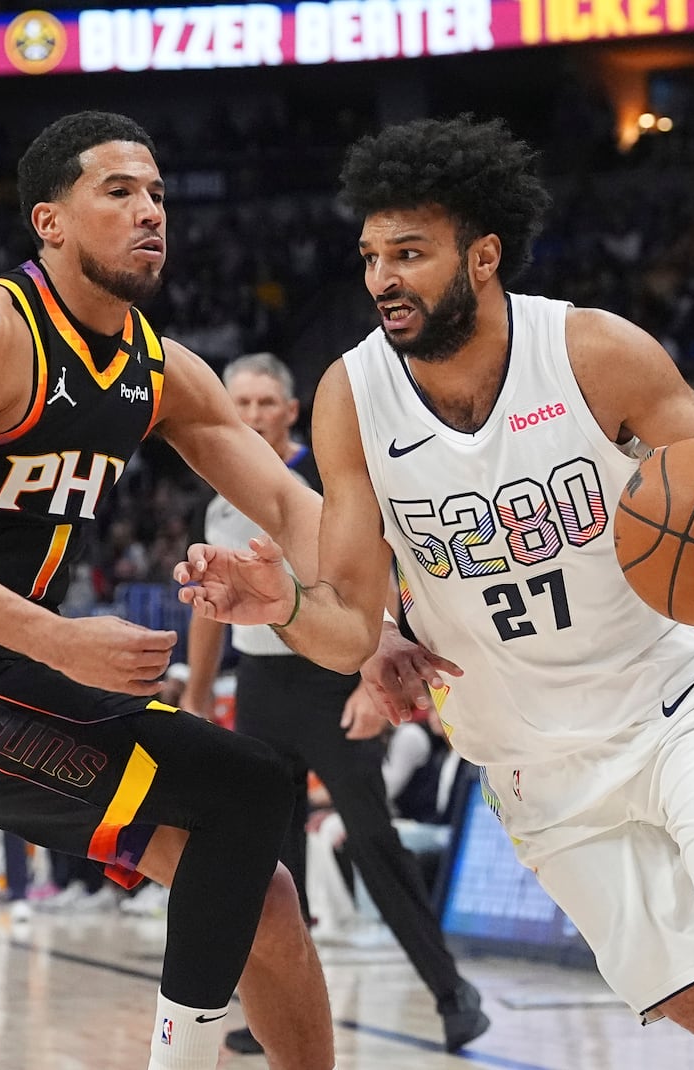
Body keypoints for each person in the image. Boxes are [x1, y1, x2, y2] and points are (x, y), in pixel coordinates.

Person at [177, 116, 694, 1070]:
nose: (382, 277)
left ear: (484, 254)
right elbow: (345, 633)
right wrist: (284, 606)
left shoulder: (592, 351)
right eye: (372, 254)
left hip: (671, 706)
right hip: (531, 767)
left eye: (410, 253)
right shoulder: (350, 396)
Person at [0, 111, 332, 1070]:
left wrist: (390, 624)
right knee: (251, 784)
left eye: (157, 195)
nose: (150, 213)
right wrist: (56, 639)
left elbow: (290, 504)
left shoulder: (159, 367)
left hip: (5, 667)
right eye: (119, 192)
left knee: (260, 897)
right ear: (49, 221)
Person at [181, 352, 487, 1056]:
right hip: (259, 688)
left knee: (372, 838)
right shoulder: (220, 496)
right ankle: (277, 1015)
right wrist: (198, 693)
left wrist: (365, 676)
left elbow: (378, 576)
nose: (252, 415)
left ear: (291, 411)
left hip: (331, 677)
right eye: (241, 403)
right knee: (270, 861)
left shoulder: (323, 482)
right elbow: (207, 607)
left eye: (265, 403)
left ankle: (452, 993)